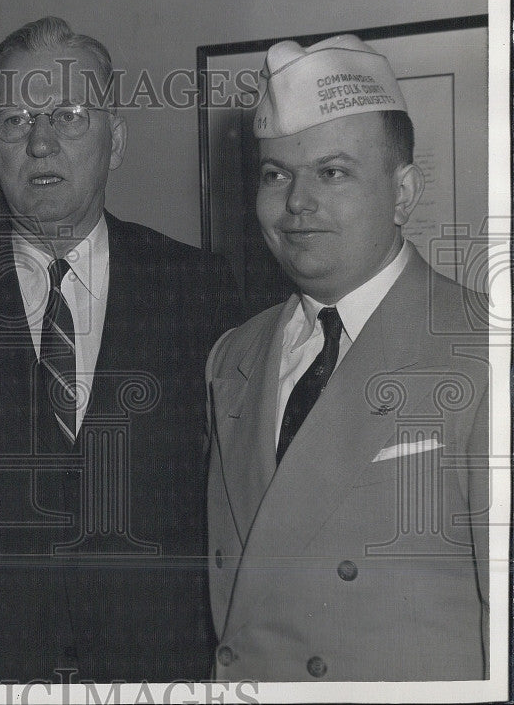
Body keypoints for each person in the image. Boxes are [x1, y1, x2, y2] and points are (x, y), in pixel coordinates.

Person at [0, 16, 241, 682]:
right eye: (14, 121)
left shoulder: (201, 290)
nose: (42, 141)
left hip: (155, 674)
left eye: (70, 115)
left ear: (116, 141)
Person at [206, 34, 489, 681]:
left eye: (333, 172)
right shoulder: (233, 356)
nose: (297, 201)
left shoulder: (483, 348)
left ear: (404, 192)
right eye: (276, 174)